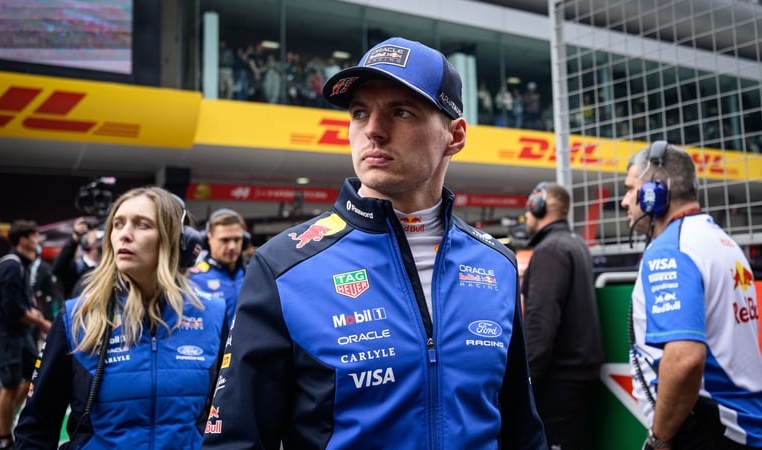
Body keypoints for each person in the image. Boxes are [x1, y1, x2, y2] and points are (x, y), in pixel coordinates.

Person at [202, 36, 547, 450]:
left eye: (400, 112)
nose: (373, 131)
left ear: (454, 136)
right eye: (359, 112)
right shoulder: (283, 266)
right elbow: (236, 440)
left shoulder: (497, 264)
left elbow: (522, 428)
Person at [13, 187, 229, 449]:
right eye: (118, 224)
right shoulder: (76, 317)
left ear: (176, 240)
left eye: (142, 224)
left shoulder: (214, 314)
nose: (124, 234)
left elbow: (227, 416)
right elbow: (36, 427)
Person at [621, 141, 762, 450]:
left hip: (712, 431)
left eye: (631, 189)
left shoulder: (671, 250)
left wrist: (659, 439)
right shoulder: (720, 241)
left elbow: (684, 359)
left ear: (654, 192)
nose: (624, 201)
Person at [521, 181, 605, 450]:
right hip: (579, 379)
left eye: (529, 207)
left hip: (559, 382)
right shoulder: (574, 243)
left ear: (539, 206)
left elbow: (540, 322)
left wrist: (526, 383)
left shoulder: (550, 250)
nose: (526, 215)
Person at [0, 220, 52, 449]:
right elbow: (12, 309)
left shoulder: (21, 265)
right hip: (6, 335)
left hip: (20, 335)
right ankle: (4, 439)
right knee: (9, 384)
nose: (38, 241)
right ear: (23, 239)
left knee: (31, 377)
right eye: (35, 236)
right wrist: (41, 322)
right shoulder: (10, 266)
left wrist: (37, 321)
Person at [189, 208, 248, 321]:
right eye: (225, 240)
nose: (232, 246)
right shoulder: (193, 279)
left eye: (237, 239)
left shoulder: (253, 274)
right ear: (208, 238)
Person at [52, 216, 102, 299]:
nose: (99, 239)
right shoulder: (77, 268)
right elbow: (58, 267)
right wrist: (74, 239)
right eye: (95, 235)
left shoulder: (109, 267)